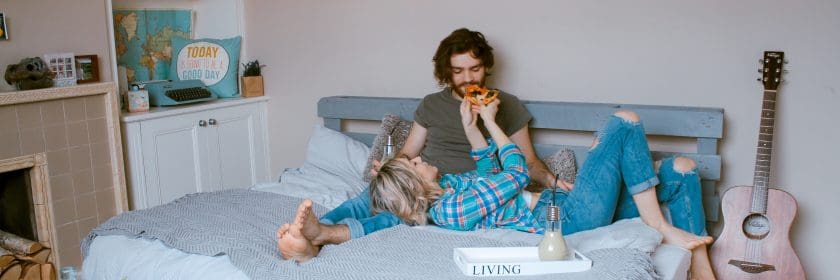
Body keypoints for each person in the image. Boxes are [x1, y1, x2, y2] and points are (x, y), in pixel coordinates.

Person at [368, 99, 716, 279]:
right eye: (413, 164)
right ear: (415, 185)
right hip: (566, 218)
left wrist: (472, 127)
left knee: (682, 170)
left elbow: (490, 170)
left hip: (568, 201)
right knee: (625, 121)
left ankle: (699, 257)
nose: (418, 159)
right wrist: (492, 121)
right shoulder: (451, 210)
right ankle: (658, 224)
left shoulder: (449, 186)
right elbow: (517, 174)